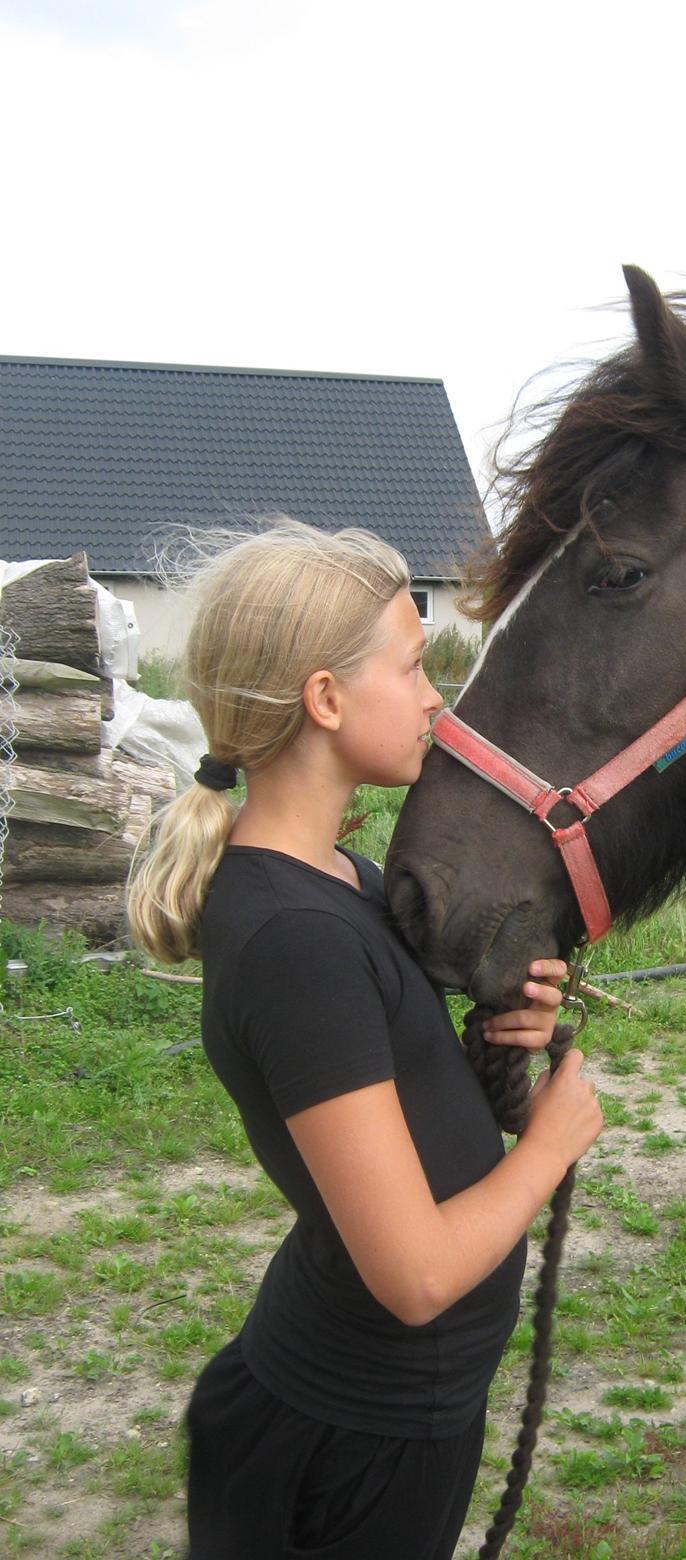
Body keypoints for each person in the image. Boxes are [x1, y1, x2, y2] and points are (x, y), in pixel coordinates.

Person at [127, 519, 604, 1559]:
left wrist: (501, 1043)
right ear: (326, 700)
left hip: (376, 1405)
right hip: (356, 1438)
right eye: (413, 664)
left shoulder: (340, 880)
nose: (437, 696)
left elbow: (409, 1121)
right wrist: (548, 1148)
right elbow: (417, 1274)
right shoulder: (296, 939)